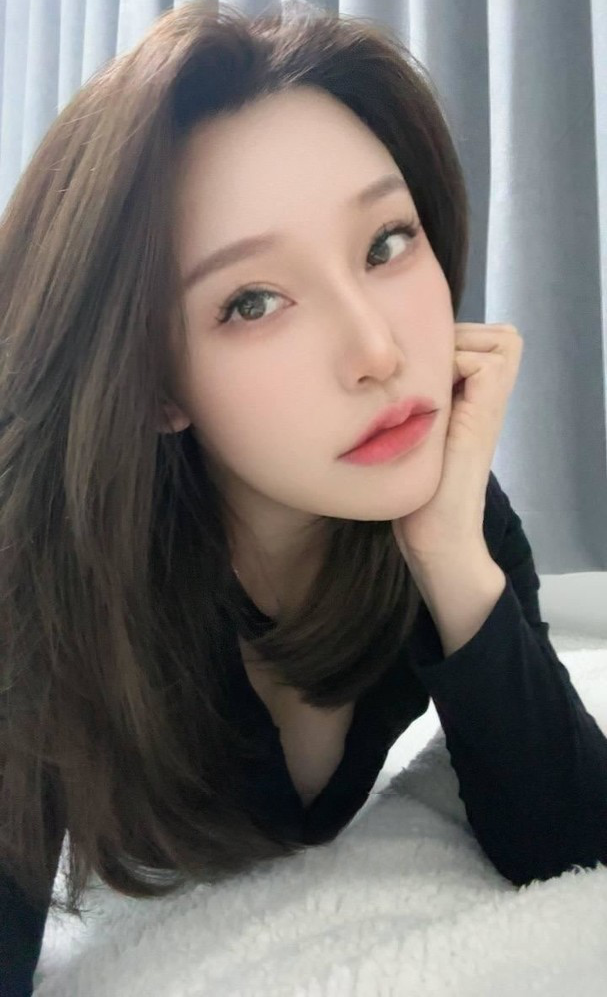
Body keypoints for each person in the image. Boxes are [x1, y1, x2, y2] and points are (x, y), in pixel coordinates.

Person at [1, 2, 606, 993]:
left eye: (386, 242)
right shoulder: (46, 580)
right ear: (151, 385)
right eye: (252, 301)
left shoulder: (442, 508)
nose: (376, 350)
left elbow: (570, 841)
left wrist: (450, 556)